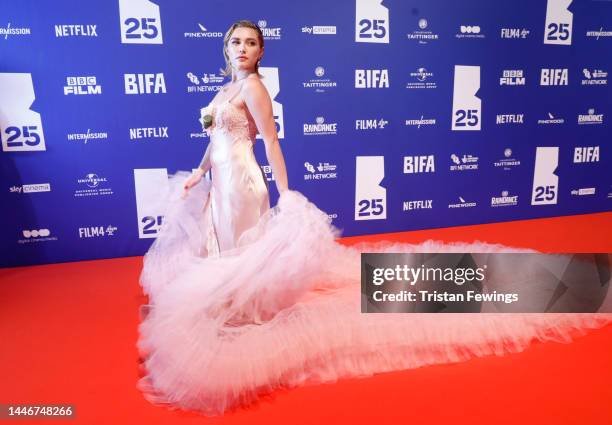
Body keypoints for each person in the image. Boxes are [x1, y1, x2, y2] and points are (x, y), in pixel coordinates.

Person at [137, 20, 611, 416]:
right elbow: (213, 140)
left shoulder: (255, 89)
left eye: (251, 43)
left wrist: (286, 193)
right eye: (235, 42)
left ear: (262, 51)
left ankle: (244, 310)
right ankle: (236, 304)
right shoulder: (229, 87)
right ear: (226, 47)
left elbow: (272, 143)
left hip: (243, 184)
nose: (242, 49)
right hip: (219, 181)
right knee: (228, 248)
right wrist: (197, 174)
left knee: (243, 248)